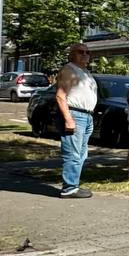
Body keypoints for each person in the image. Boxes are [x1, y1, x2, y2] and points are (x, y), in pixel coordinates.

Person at [55, 43, 98, 198]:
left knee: (81, 153)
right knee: (72, 153)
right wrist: (68, 119)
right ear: (72, 54)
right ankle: (69, 188)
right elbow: (60, 95)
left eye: (87, 52)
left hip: (87, 116)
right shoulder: (69, 70)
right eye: (81, 52)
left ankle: (74, 185)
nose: (85, 54)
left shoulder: (85, 72)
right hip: (75, 114)